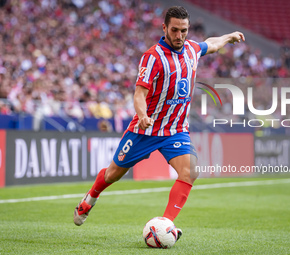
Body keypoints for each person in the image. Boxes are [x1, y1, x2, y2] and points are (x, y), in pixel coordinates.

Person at [73, 6, 245, 241]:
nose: (179, 35)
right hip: (145, 129)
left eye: (184, 30)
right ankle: (89, 199)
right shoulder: (152, 57)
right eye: (174, 30)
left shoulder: (192, 49)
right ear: (164, 28)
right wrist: (142, 115)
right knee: (113, 174)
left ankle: (165, 224)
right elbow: (139, 94)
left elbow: (211, 44)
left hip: (175, 131)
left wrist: (228, 37)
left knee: (191, 171)